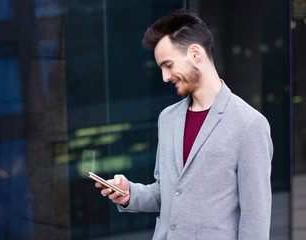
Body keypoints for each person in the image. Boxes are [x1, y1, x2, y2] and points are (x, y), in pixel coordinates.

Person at [95, 9, 273, 240]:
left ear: (195, 53)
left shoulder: (249, 124)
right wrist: (130, 194)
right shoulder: (168, 118)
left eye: (168, 65)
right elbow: (167, 194)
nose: (165, 77)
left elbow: (255, 219)